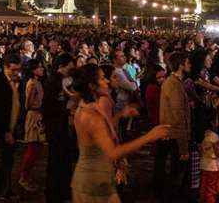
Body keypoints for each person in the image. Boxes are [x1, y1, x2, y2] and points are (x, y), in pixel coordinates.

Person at [71, 64, 170, 203]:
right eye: (103, 78)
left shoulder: (84, 106)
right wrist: (149, 136)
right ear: (92, 86)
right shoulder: (92, 116)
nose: (107, 81)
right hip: (95, 180)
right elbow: (113, 152)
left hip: (89, 175)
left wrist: (120, 115)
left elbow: (100, 132)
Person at [155, 51, 192, 203]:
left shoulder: (174, 82)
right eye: (188, 62)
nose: (190, 65)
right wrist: (184, 146)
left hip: (172, 133)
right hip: (175, 136)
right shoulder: (174, 84)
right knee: (175, 175)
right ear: (181, 65)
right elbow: (178, 116)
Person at [0, 53, 22, 200]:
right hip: (3, 129)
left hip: (12, 127)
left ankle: (6, 189)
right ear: (5, 67)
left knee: (9, 160)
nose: (16, 73)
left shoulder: (13, 81)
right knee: (4, 161)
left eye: (18, 70)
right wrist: (6, 131)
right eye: (13, 70)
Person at [42, 52, 74, 203]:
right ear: (61, 66)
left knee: (62, 159)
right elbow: (48, 107)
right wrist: (66, 110)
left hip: (61, 126)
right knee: (56, 161)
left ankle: (61, 190)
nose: (71, 70)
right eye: (69, 67)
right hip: (55, 128)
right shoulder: (53, 82)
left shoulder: (62, 80)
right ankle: (54, 193)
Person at [18, 58, 45, 191]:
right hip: (33, 116)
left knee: (37, 147)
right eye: (39, 67)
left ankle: (27, 175)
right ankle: (24, 176)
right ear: (33, 70)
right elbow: (27, 104)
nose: (42, 69)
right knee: (32, 147)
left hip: (38, 115)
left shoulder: (38, 82)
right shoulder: (32, 84)